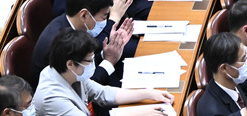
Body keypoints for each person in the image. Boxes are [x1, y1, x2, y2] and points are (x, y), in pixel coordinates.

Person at [35, 28, 172, 116]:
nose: (92, 65)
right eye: (88, 61)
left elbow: (103, 93)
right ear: (70, 64)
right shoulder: (50, 98)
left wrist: (149, 93)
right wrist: (139, 113)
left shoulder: (69, 72)